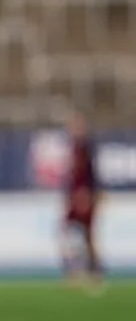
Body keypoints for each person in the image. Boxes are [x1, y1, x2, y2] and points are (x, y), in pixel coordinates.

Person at [60, 110, 103, 289]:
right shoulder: (73, 148)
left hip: (83, 196)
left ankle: (94, 270)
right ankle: (75, 270)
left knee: (88, 235)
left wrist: (88, 195)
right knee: (69, 233)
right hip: (75, 196)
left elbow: (90, 175)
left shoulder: (86, 149)